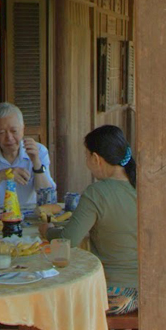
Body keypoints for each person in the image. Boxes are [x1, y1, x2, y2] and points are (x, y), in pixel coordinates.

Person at [42, 125, 137, 315]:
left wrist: (47, 231)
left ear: (96, 158)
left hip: (113, 289)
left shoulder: (97, 193)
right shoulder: (143, 184)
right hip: (150, 286)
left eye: (87, 157)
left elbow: (67, 242)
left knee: (48, 297)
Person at [0, 103, 56, 207]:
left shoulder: (39, 151)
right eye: (2, 132)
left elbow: (48, 199)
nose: (9, 138)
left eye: (14, 131)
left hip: (30, 216)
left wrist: (36, 163)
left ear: (23, 129)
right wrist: (1, 175)